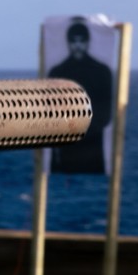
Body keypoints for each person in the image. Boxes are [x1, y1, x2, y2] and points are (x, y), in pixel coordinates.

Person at [48, 17, 113, 174]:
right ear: (68, 43)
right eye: (74, 41)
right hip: (65, 149)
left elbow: (105, 113)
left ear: (88, 42)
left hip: (91, 149)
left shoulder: (102, 72)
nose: (78, 46)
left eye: (81, 41)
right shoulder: (57, 73)